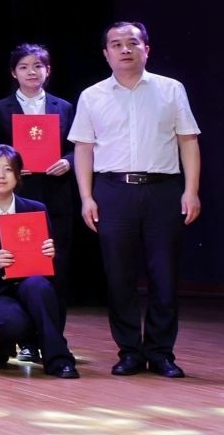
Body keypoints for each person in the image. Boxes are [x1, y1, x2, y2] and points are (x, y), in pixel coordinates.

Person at [71, 20, 201, 378]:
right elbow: (84, 149)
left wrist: (191, 190)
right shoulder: (92, 95)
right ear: (106, 53)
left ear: (147, 49)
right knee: (119, 275)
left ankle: (161, 352)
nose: (125, 49)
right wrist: (86, 197)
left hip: (163, 190)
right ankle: (129, 351)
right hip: (113, 191)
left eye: (132, 42)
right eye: (116, 44)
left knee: (164, 275)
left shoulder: (171, 89)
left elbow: (188, 140)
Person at [0, 145, 77, 378]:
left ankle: (58, 360)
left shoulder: (35, 209)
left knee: (40, 288)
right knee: (16, 322)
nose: (1, 175)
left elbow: (52, 262)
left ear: (19, 175)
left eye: (8, 169)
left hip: (28, 283)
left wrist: (51, 254)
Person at [0, 42, 80, 345]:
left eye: (38, 66)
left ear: (48, 70)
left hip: (56, 195)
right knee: (21, 267)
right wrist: (10, 164)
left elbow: (78, 147)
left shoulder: (64, 107)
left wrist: (68, 161)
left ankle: (53, 339)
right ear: (13, 72)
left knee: (56, 267)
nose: (31, 72)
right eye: (24, 67)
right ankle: (26, 341)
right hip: (18, 197)